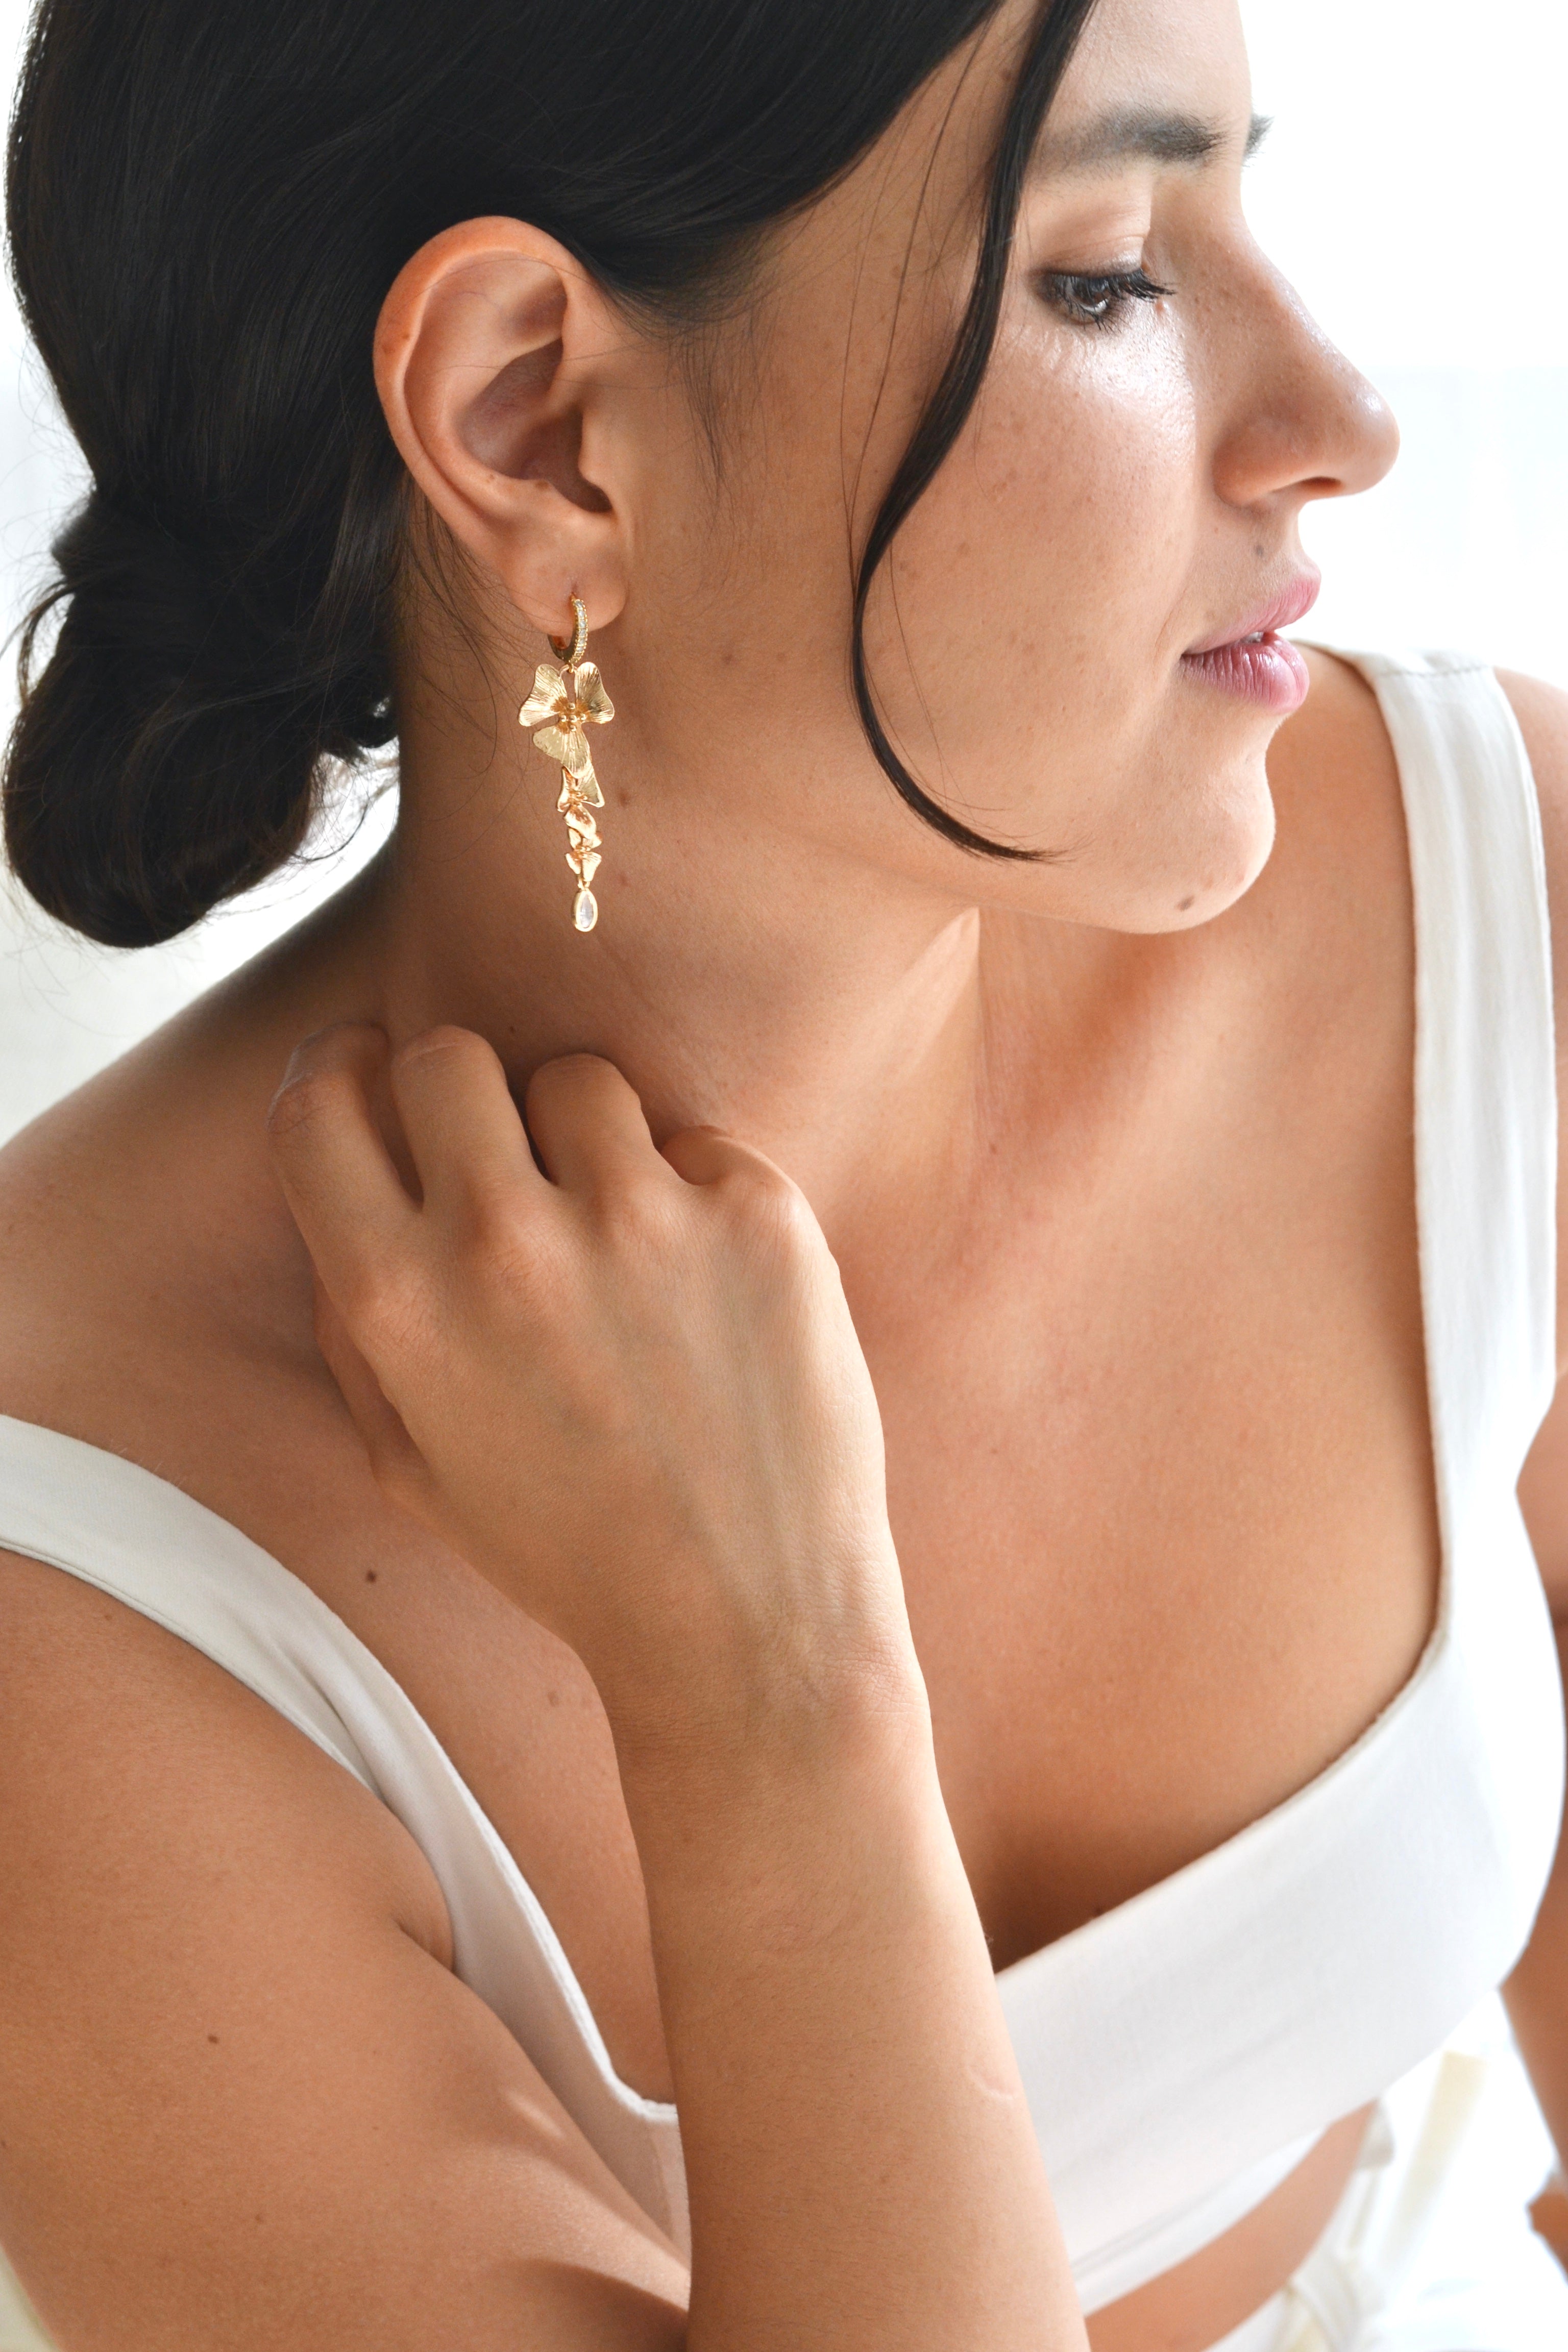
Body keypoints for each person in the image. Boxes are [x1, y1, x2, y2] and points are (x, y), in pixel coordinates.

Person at [1, 0, 1566, 2343]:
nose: (1343, 420)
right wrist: (771, 1710)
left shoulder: (1491, 898)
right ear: (540, 423)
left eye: (1258, 196)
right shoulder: (75, 1604)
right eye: (1107, 275)